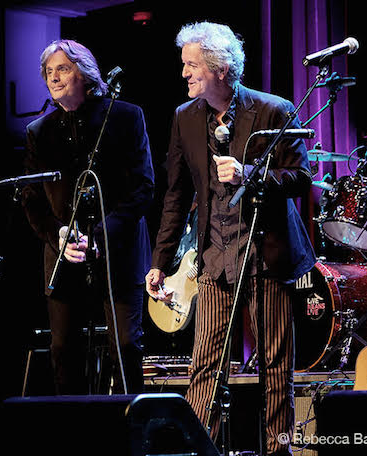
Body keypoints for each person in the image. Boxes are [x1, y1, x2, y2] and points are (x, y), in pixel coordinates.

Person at [145, 22, 316, 455]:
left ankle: (279, 452)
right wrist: (160, 261)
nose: (184, 73)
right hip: (215, 257)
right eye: (184, 64)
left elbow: (301, 177)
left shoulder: (272, 110)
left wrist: (251, 175)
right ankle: (196, 449)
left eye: (192, 65)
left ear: (220, 68)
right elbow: (176, 194)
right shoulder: (185, 118)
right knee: (206, 364)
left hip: (266, 254)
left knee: (275, 368)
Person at [22, 39, 154, 395]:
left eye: (62, 68)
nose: (54, 77)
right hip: (63, 256)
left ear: (86, 73)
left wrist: (99, 234)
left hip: (118, 253)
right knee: (64, 352)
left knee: (125, 348)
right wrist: (59, 235)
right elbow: (31, 200)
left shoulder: (125, 116)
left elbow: (143, 187)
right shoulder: (39, 132)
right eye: (49, 72)